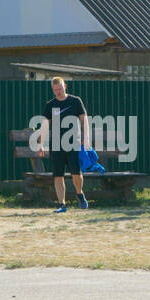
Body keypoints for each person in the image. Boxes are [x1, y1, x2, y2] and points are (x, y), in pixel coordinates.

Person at [36, 76, 89, 213]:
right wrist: (40, 144)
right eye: (55, 90)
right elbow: (45, 125)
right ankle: (62, 204)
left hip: (73, 143)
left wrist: (86, 137)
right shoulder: (50, 105)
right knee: (58, 175)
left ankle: (79, 193)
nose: (58, 92)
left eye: (59, 89)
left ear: (65, 86)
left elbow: (84, 120)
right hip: (56, 145)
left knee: (76, 173)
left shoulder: (75, 101)